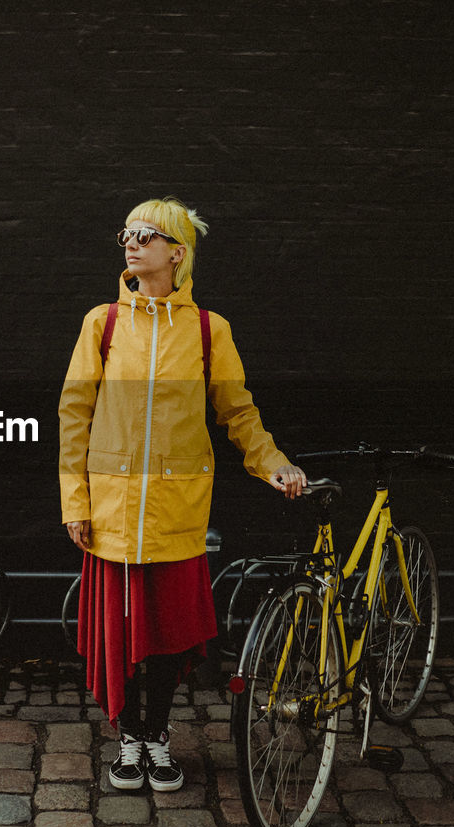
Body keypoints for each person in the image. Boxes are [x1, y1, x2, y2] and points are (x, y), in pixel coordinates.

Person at [58, 196, 307, 792]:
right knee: (124, 637)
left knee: (166, 636)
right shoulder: (103, 323)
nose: (131, 241)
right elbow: (74, 414)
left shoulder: (207, 329)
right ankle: (130, 738)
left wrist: (272, 463)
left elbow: (236, 409)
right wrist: (76, 501)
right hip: (112, 514)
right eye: (127, 232)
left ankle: (158, 734)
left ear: (177, 252)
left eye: (147, 234)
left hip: (177, 513)